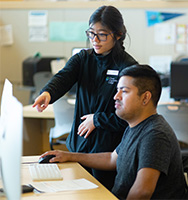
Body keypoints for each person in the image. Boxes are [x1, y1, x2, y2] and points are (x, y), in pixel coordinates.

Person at [40, 65, 186, 199]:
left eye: (124, 91)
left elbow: (143, 191)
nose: (116, 97)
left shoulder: (155, 134)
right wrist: (69, 156)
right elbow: (112, 159)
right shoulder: (134, 126)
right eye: (117, 90)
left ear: (145, 97)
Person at [33, 5, 138, 190]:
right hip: (78, 147)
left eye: (102, 34)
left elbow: (131, 117)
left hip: (108, 153)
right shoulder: (83, 58)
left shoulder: (128, 68)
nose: (95, 40)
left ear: (119, 34)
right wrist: (47, 93)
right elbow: (63, 77)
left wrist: (97, 120)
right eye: (91, 33)